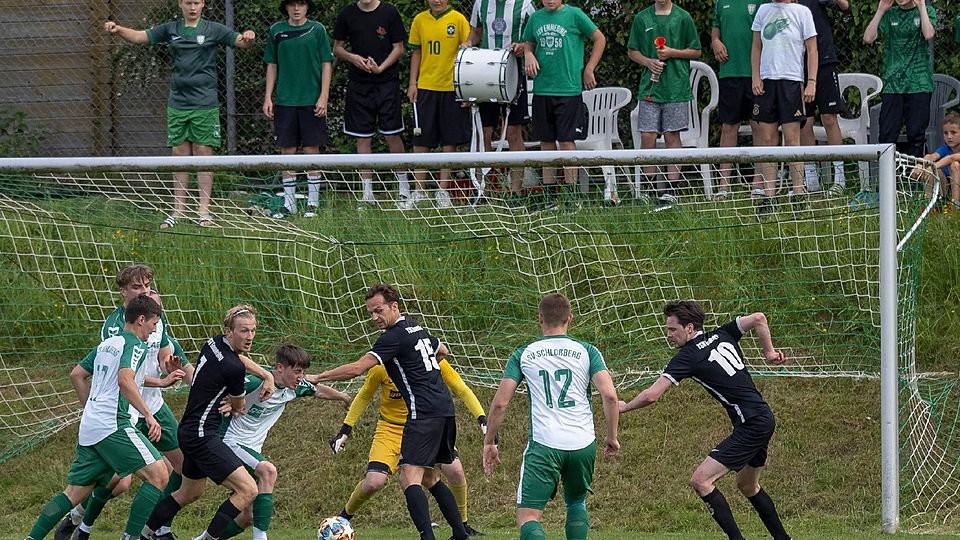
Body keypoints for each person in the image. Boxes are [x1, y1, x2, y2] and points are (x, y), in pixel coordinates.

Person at [619, 300, 790, 540]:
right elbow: (759, 318)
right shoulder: (723, 334)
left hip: (751, 424)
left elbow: (651, 395)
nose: (668, 335)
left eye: (672, 329)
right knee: (748, 486)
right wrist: (769, 352)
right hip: (762, 417)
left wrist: (624, 407)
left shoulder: (688, 356)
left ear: (690, 328)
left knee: (701, 480)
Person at [314, 283, 470, 540]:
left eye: (378, 310)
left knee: (409, 478)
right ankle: (460, 535)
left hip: (424, 413)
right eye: (371, 313)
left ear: (394, 306)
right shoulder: (416, 328)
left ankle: (427, 537)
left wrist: (319, 376)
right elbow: (443, 350)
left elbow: (356, 369)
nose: (374, 317)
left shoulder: (393, 337)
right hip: (445, 409)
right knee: (430, 478)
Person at [56, 267, 192, 540]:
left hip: (154, 407)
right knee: (118, 482)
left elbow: (165, 362)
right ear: (123, 292)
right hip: (127, 409)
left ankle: (155, 528)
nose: (144, 291)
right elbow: (125, 379)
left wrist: (170, 369)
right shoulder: (115, 327)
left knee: (183, 467)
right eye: (137, 287)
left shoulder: (156, 318)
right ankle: (79, 521)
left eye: (147, 285)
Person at [26, 295, 170, 540]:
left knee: (73, 493)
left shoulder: (107, 344)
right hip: (114, 424)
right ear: (141, 320)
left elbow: (77, 374)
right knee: (159, 475)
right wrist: (148, 414)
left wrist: (90, 409)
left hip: (92, 426)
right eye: (154, 323)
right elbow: (125, 380)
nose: (155, 330)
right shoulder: (135, 344)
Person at [103, 0, 256, 229]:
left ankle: (204, 212)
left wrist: (248, 36)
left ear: (202, 4)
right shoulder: (171, 29)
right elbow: (138, 36)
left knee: (203, 153)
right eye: (188, 2)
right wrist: (118, 29)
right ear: (180, 4)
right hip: (177, 104)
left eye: (196, 2)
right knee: (179, 153)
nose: (192, 7)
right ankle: (178, 210)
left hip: (205, 103)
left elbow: (241, 42)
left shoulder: (213, 29)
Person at [481, 292, 619, 540]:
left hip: (544, 443)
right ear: (570, 318)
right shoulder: (587, 350)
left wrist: (490, 441)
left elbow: (501, 403)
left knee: (528, 517)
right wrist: (612, 437)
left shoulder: (524, 353)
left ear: (540, 318)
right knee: (577, 502)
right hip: (583, 442)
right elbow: (609, 396)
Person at [140, 305, 276, 540]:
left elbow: (240, 359)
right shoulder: (232, 368)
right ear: (229, 331)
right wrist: (234, 404)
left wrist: (267, 375)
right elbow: (238, 406)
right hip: (203, 435)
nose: (250, 336)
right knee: (248, 490)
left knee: (189, 492)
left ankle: (142, 535)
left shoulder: (214, 343)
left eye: (253, 331)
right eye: (244, 331)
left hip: (190, 430)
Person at [328, 358, 488, 536]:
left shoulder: (430, 360)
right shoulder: (381, 367)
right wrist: (345, 429)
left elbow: (460, 387)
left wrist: (481, 417)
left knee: (450, 472)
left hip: (422, 428)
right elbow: (365, 394)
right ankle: (343, 518)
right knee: (374, 482)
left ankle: (462, 526)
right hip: (390, 430)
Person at [216, 344, 352, 540]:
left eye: (303, 372)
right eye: (297, 371)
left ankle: (204, 538)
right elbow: (223, 388)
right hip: (230, 442)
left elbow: (319, 391)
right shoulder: (256, 383)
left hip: (251, 449)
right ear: (280, 368)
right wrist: (230, 401)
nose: (301, 376)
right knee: (268, 471)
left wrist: (344, 398)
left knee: (248, 516)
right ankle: (261, 537)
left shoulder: (293, 389)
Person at [522, 0, 606, 210]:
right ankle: (550, 197)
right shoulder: (535, 18)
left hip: (568, 90)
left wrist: (589, 69)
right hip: (543, 89)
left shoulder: (575, 15)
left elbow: (599, 39)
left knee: (567, 141)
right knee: (546, 142)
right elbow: (528, 43)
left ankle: (571, 197)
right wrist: (528, 53)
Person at [333, 0, 411, 209]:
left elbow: (399, 48)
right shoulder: (346, 14)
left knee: (392, 134)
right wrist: (353, 58)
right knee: (362, 137)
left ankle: (404, 192)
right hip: (359, 85)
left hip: (387, 83)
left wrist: (381, 68)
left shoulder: (389, 12)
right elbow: (337, 48)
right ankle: (367, 195)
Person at [627, 0, 701, 210]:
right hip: (649, 89)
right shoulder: (642, 18)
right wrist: (648, 62)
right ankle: (650, 190)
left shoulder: (683, 17)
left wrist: (672, 53)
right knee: (647, 135)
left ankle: (670, 190)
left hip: (676, 87)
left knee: (672, 135)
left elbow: (695, 51)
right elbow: (632, 51)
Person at [263, 0, 333, 220]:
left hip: (311, 101)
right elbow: (272, 64)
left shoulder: (317, 29)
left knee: (312, 151)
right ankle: (289, 203)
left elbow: (326, 63)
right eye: (292, 4)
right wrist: (268, 97)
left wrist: (323, 96)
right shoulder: (276, 30)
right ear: (286, 7)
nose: (296, 8)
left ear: (307, 7)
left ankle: (313, 203)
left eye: (301, 4)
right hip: (285, 101)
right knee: (287, 153)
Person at [750, 0, 817, 214]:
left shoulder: (802, 12)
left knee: (792, 139)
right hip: (767, 81)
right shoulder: (763, 10)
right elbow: (756, 46)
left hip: (791, 81)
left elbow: (812, 49)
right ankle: (770, 196)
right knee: (768, 139)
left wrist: (812, 81)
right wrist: (756, 77)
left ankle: (798, 193)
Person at [404, 0, 472, 209]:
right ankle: (419, 191)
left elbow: (468, 51)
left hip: (451, 88)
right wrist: (413, 83)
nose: (437, 0)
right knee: (420, 140)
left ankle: (443, 191)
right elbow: (417, 53)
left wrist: (465, 89)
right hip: (426, 87)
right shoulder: (420, 20)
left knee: (449, 141)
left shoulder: (458, 19)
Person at [467, 0, 536, 204]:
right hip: (483, 74)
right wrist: (468, 43)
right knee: (484, 132)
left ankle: (516, 192)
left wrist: (523, 47)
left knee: (514, 132)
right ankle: (483, 190)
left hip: (513, 75)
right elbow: (476, 33)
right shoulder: (481, 3)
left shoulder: (526, 4)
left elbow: (534, 38)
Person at [863, 0, 936, 158]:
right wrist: (881, 10)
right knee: (887, 136)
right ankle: (887, 180)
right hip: (893, 84)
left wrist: (922, 6)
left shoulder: (927, 11)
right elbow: (868, 38)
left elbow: (928, 34)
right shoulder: (890, 14)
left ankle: (914, 180)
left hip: (919, 83)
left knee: (916, 136)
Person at [797, 0, 850, 196]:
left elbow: (845, 7)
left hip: (825, 60)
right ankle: (811, 179)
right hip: (797, 64)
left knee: (829, 118)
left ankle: (839, 178)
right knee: (805, 121)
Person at [711, 0, 762, 199]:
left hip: (756, 73)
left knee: (758, 126)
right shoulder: (721, 2)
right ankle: (724, 187)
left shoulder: (762, 1)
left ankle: (758, 183)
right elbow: (716, 27)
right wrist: (715, 40)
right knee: (728, 127)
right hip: (729, 73)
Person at [919, 112, 960, 208]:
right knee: (932, 170)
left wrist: (931, 166)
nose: (949, 137)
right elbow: (932, 157)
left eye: (953, 132)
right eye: (946, 133)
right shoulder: (945, 148)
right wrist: (920, 165)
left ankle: (955, 207)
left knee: (955, 165)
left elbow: (951, 158)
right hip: (947, 187)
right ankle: (929, 206)